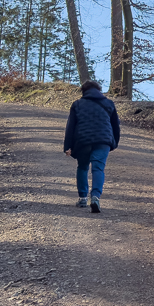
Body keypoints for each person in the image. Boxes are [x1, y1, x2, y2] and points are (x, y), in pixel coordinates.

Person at [63, 79, 120, 213]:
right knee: (98, 169)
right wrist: (113, 142)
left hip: (83, 141)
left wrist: (67, 146)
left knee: (82, 167)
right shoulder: (109, 103)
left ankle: (83, 198)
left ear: (84, 91)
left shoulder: (77, 104)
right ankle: (95, 197)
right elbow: (116, 126)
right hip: (103, 141)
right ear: (99, 90)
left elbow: (70, 127)